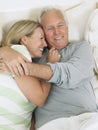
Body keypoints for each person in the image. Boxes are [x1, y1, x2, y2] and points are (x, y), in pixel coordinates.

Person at [0, 7, 98, 130]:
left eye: (60, 25)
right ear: (43, 33)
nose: (57, 32)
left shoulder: (81, 48)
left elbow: (69, 74)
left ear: (67, 27)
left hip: (86, 117)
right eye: (50, 28)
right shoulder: (35, 55)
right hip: (51, 123)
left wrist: (23, 67)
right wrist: (5, 51)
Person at [0, 19, 61, 130]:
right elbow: (40, 98)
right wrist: (51, 64)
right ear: (24, 39)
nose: (45, 44)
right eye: (41, 38)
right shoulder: (19, 53)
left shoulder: (10, 54)